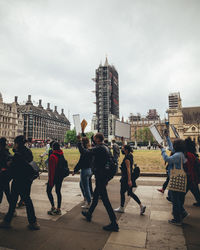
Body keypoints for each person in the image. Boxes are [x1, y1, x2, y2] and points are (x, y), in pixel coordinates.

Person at [78, 133, 119, 232]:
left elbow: (84, 152)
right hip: (103, 176)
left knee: (105, 200)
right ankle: (89, 214)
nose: (93, 139)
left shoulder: (99, 148)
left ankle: (114, 223)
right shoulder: (105, 147)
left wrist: (79, 141)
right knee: (95, 197)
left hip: (100, 177)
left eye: (94, 137)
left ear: (97, 139)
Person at [0, 135, 40, 230]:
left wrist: (9, 164)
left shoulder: (18, 155)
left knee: (13, 200)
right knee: (27, 200)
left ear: (17, 144)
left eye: (15, 143)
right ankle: (33, 222)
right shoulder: (28, 152)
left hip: (18, 181)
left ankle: (7, 221)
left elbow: (13, 167)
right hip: (27, 181)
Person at [158, 138, 188, 226]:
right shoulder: (181, 154)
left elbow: (167, 159)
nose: (173, 146)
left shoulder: (178, 155)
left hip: (176, 178)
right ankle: (182, 212)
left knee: (174, 199)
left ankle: (177, 219)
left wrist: (162, 150)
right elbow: (171, 147)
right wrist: (167, 138)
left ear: (177, 146)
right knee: (174, 196)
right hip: (180, 178)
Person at [114, 144, 146, 215]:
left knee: (122, 192)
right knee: (130, 193)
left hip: (126, 178)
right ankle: (141, 206)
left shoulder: (127, 159)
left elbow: (128, 169)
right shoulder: (130, 155)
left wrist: (129, 180)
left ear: (126, 150)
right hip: (128, 177)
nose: (121, 150)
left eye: (123, 149)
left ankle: (122, 208)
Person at [73, 137, 93, 209]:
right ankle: (86, 197)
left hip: (85, 171)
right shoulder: (90, 150)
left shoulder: (85, 151)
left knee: (85, 186)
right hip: (89, 170)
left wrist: (79, 141)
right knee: (82, 185)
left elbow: (80, 162)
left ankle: (88, 201)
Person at [46, 142, 65, 215]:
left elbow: (51, 170)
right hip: (60, 177)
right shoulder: (61, 154)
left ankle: (53, 207)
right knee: (58, 192)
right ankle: (58, 209)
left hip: (54, 177)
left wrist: (50, 180)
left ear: (53, 147)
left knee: (48, 191)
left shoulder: (52, 156)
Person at [184, 137, 200, 207]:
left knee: (184, 191)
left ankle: (177, 202)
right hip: (193, 177)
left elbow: (189, 167)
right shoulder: (193, 154)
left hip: (190, 177)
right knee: (195, 190)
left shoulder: (188, 155)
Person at [0, 137, 12, 206]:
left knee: (4, 191)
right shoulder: (7, 151)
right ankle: (12, 208)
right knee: (7, 191)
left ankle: (12, 208)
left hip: (2, 174)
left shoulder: (2, 152)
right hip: (6, 174)